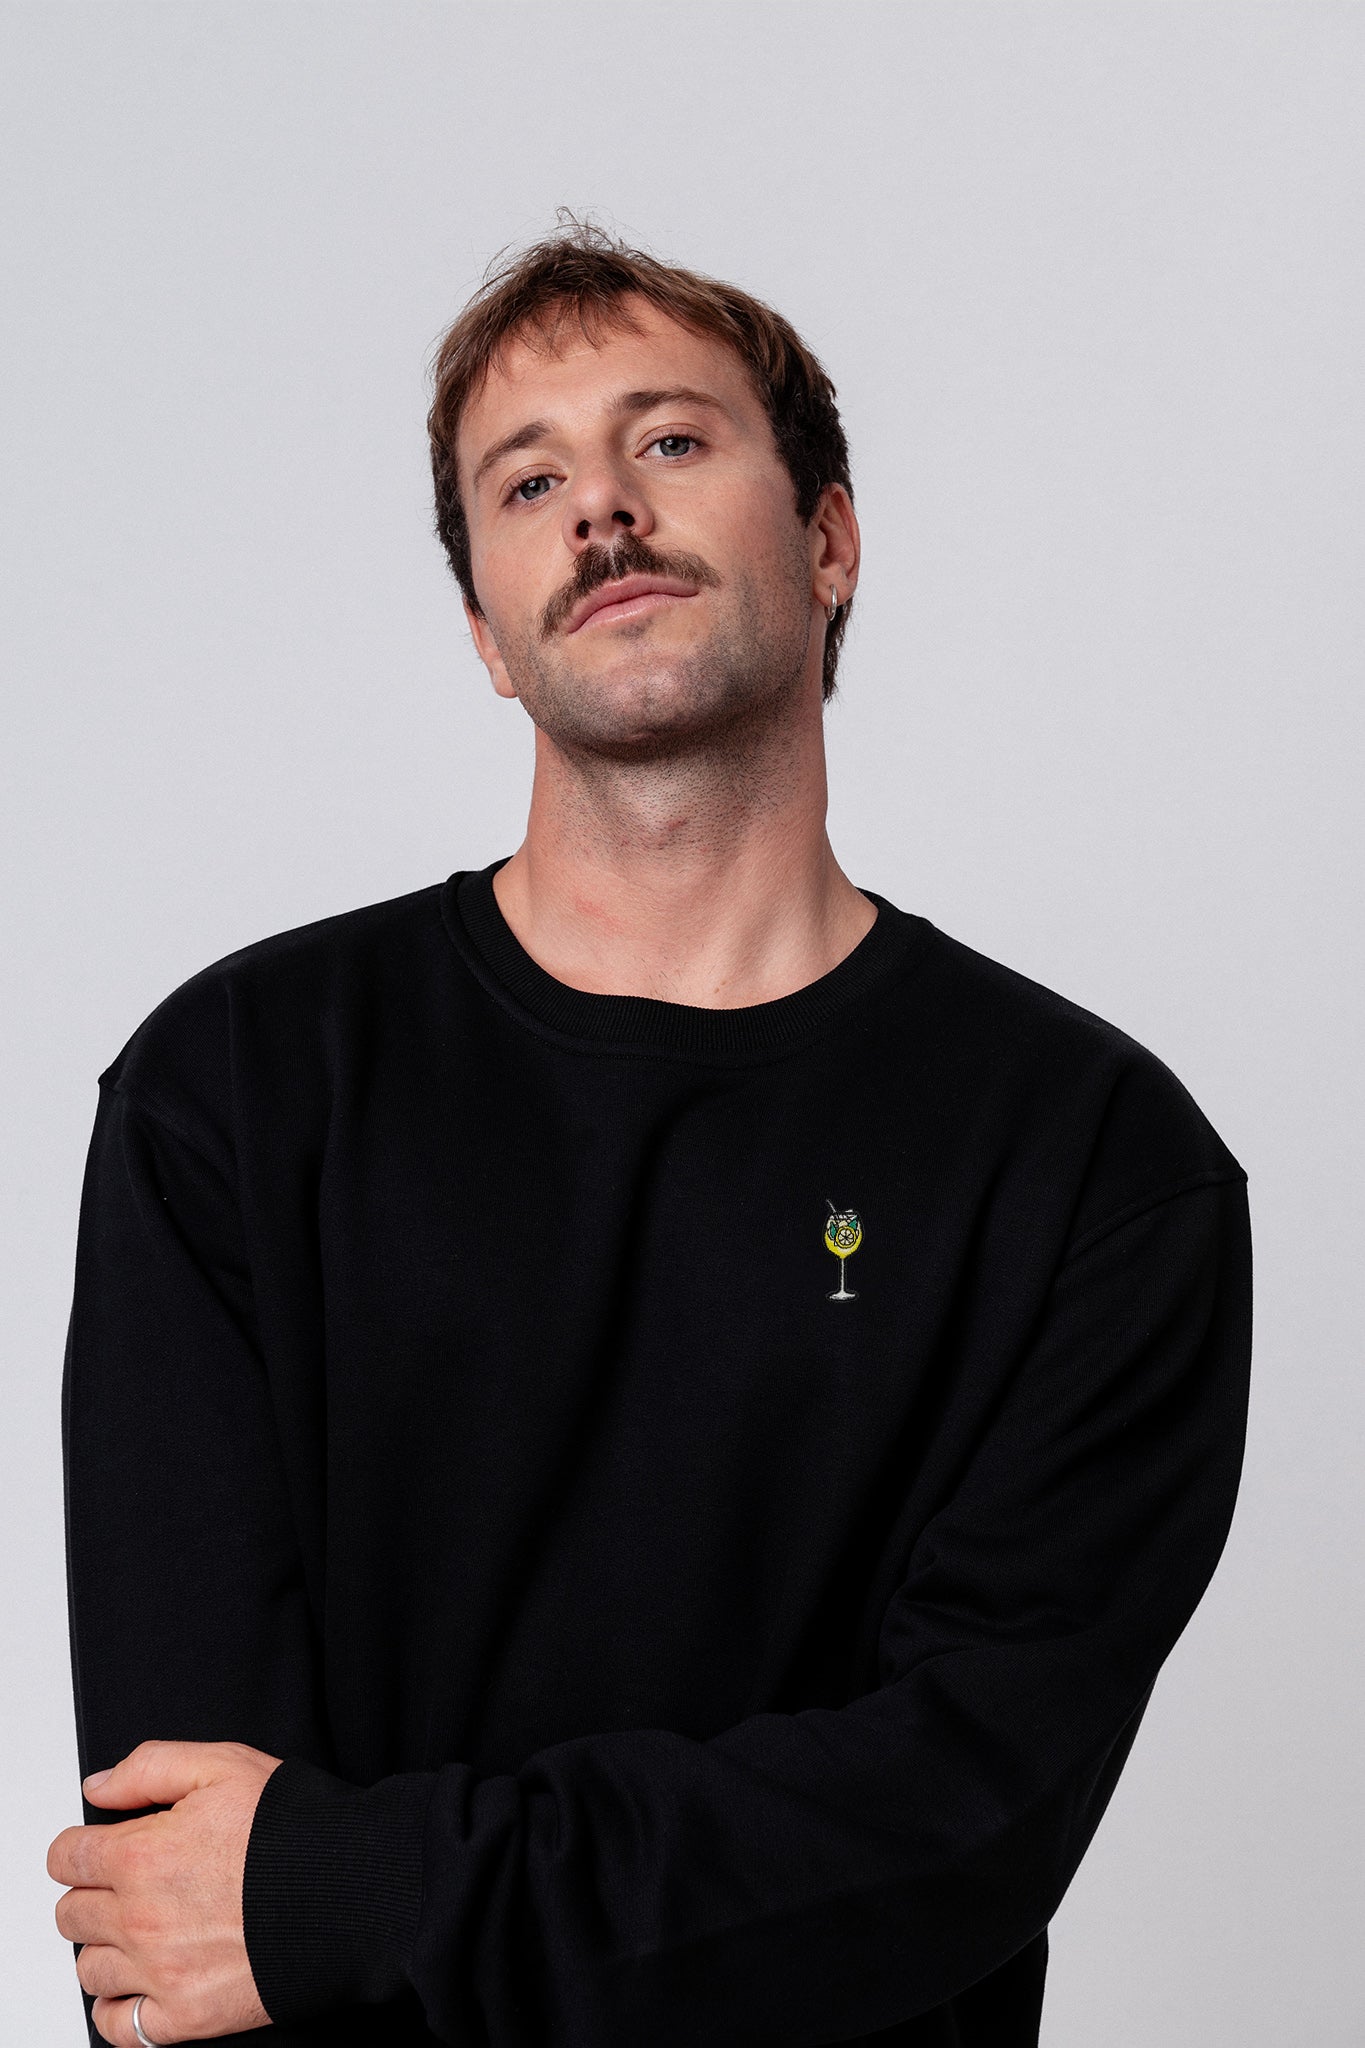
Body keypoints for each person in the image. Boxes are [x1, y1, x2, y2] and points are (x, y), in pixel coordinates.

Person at [48, 222, 1253, 2048]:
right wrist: (300, 1903)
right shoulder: (235, 1089)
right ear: (484, 633)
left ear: (829, 540)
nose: (601, 508)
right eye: (528, 482)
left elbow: (951, 1828)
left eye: (670, 441)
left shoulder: (1094, 1163)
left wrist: (361, 1893)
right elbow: (180, 1890)